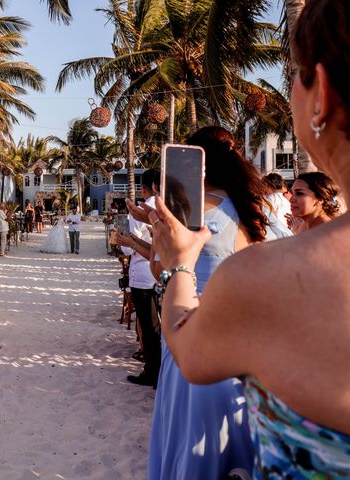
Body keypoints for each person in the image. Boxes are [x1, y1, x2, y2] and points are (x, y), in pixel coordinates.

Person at [149, 12, 350, 472]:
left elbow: (189, 349)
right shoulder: (262, 234)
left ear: (320, 93)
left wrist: (180, 263)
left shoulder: (266, 275)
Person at [145, 126, 274, 480]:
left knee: (186, 449)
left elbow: (160, 270)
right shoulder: (254, 211)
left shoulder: (184, 213)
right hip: (242, 352)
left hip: (190, 335)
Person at [115, 168, 160, 388]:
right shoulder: (169, 206)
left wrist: (124, 240)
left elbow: (127, 251)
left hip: (143, 273)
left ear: (144, 188)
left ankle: (151, 370)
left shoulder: (143, 210)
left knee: (149, 326)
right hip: (162, 273)